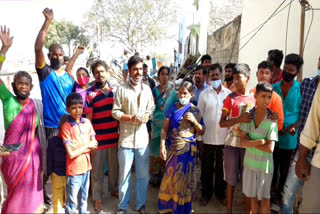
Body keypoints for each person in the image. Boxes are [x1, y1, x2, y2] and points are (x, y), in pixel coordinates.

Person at [0, 27, 44, 213]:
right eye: (20, 83)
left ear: (31, 86)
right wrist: (3, 50)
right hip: (11, 155)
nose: (23, 87)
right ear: (14, 85)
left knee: (30, 197)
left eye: (26, 84)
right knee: (13, 195)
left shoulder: (36, 105)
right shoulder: (8, 99)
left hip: (31, 155)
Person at [35, 8, 75, 211]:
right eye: (54, 54)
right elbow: (38, 47)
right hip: (51, 127)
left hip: (70, 126)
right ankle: (50, 204)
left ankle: (67, 201)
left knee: (69, 164)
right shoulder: (45, 73)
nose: (57, 56)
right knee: (51, 166)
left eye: (60, 54)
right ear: (49, 56)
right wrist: (48, 22)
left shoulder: (69, 77)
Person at [112, 55, 155, 214]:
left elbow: (151, 109)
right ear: (129, 71)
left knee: (143, 176)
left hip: (142, 140)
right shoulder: (121, 89)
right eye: (135, 69)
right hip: (126, 140)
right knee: (124, 175)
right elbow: (115, 112)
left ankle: (140, 205)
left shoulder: (147, 89)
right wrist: (129, 117)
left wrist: (146, 116)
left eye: (140, 69)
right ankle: (122, 207)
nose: (138, 72)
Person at [158, 81, 205, 214]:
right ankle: (168, 206)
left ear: (191, 94)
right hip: (173, 149)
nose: (182, 95)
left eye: (185, 93)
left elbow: (202, 131)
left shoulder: (195, 111)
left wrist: (195, 122)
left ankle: (182, 208)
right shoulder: (171, 108)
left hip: (188, 151)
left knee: (185, 179)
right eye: (180, 93)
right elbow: (164, 130)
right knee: (171, 178)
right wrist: (162, 145)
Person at [282, 57, 320, 213]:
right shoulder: (307, 84)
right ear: (318, 62)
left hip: (317, 154)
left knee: (311, 200)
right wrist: (295, 126)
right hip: (303, 150)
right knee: (288, 193)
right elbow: (302, 113)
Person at [219, 64, 256, 213]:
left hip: (249, 145)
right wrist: (238, 119)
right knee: (230, 179)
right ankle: (229, 209)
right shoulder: (230, 98)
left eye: (238, 77)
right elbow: (222, 123)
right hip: (232, 144)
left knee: (248, 180)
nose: (235, 81)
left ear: (247, 78)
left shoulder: (255, 98)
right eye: (233, 78)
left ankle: (248, 210)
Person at [85, 60, 119, 212]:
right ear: (94, 75)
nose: (99, 75)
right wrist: (91, 139)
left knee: (114, 169)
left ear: (107, 72)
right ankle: (97, 198)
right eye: (96, 72)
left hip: (113, 138)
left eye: (102, 71)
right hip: (98, 140)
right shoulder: (90, 94)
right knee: (97, 172)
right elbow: (88, 120)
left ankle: (113, 189)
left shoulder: (115, 91)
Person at [240, 82, 278, 214]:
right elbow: (242, 142)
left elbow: (270, 148)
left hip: (265, 167)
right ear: (256, 96)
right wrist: (260, 141)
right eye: (263, 96)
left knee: (265, 200)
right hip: (250, 165)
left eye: (269, 97)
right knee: (253, 199)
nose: (266, 100)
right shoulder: (248, 116)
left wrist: (251, 142)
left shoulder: (272, 119)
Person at [198, 63, 231, 206]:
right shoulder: (204, 95)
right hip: (207, 139)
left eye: (217, 75)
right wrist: (199, 139)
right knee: (206, 169)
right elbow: (198, 118)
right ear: (208, 78)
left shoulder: (228, 94)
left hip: (224, 139)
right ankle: (206, 194)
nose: (214, 78)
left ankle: (220, 193)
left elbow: (230, 117)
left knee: (221, 169)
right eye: (212, 76)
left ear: (221, 75)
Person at [271, 54, 302, 204]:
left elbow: (304, 114)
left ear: (297, 72)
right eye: (286, 69)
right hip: (274, 134)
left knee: (284, 169)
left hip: (290, 137)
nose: (287, 72)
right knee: (272, 167)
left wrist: (293, 127)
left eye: (291, 70)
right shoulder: (274, 87)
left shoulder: (300, 89)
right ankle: (269, 194)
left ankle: (278, 195)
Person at [61, 93, 98, 213]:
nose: (77, 111)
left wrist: (79, 148)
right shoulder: (66, 127)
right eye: (73, 108)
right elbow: (71, 154)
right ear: (67, 110)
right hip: (74, 170)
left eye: (80, 107)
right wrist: (87, 145)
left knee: (84, 197)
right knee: (72, 202)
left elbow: (95, 145)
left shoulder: (87, 122)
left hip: (87, 167)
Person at [149, 66, 174, 186]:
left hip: (168, 125)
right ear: (158, 76)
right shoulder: (154, 90)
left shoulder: (172, 91)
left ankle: (166, 177)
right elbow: (150, 107)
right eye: (162, 74)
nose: (164, 77)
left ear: (169, 76)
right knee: (155, 150)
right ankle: (155, 177)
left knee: (166, 150)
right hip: (156, 125)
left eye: (166, 74)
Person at [252, 61, 284, 131]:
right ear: (257, 74)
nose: (264, 76)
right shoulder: (250, 94)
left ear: (271, 75)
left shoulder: (276, 98)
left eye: (267, 73)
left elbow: (279, 125)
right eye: (261, 72)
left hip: (266, 138)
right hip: (247, 138)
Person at [47, 115, 69, 213]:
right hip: (70, 175)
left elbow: (49, 159)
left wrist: (49, 172)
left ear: (58, 128)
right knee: (70, 201)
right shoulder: (73, 142)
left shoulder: (52, 141)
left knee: (57, 201)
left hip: (57, 175)